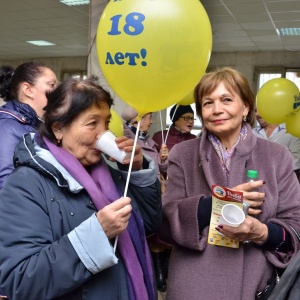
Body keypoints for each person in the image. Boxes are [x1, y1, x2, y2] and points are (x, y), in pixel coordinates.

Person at [0, 77, 161, 300]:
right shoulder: (26, 185)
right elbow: (19, 279)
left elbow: (150, 225)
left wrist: (136, 171)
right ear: (58, 129)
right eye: (92, 123)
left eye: (106, 122)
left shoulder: (110, 175)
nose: (103, 133)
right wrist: (97, 233)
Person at [160, 67, 300, 300]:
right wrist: (219, 202)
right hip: (194, 286)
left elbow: (295, 223)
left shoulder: (277, 156)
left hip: (255, 286)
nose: (217, 110)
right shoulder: (182, 154)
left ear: (245, 106)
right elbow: (165, 221)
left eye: (226, 99)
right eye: (207, 103)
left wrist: (261, 232)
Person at [121, 105, 168, 292]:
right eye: (149, 117)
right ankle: (153, 274)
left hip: (155, 193)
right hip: (139, 198)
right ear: (137, 120)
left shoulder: (147, 140)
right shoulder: (127, 140)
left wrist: (164, 160)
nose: (152, 121)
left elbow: (159, 169)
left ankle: (157, 272)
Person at [0, 62, 58, 189]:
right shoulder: (6, 128)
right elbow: (6, 187)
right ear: (28, 90)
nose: (57, 91)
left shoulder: (36, 124)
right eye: (52, 85)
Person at [253, 109, 300, 183]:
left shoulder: (290, 131)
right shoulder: (252, 133)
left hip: (285, 183)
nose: (257, 114)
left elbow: (296, 161)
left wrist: (270, 167)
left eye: (260, 110)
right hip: (258, 182)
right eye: (255, 111)